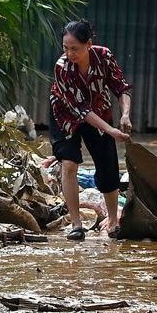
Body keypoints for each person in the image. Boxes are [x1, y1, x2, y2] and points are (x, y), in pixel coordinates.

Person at [49, 19, 132, 241]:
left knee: (107, 165)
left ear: (89, 44)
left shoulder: (104, 56)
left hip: (99, 108)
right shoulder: (62, 67)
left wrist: (125, 114)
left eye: (74, 48)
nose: (69, 53)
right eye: (65, 48)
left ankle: (113, 221)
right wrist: (111, 131)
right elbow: (81, 110)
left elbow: (121, 87)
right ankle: (76, 224)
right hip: (65, 113)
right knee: (69, 162)